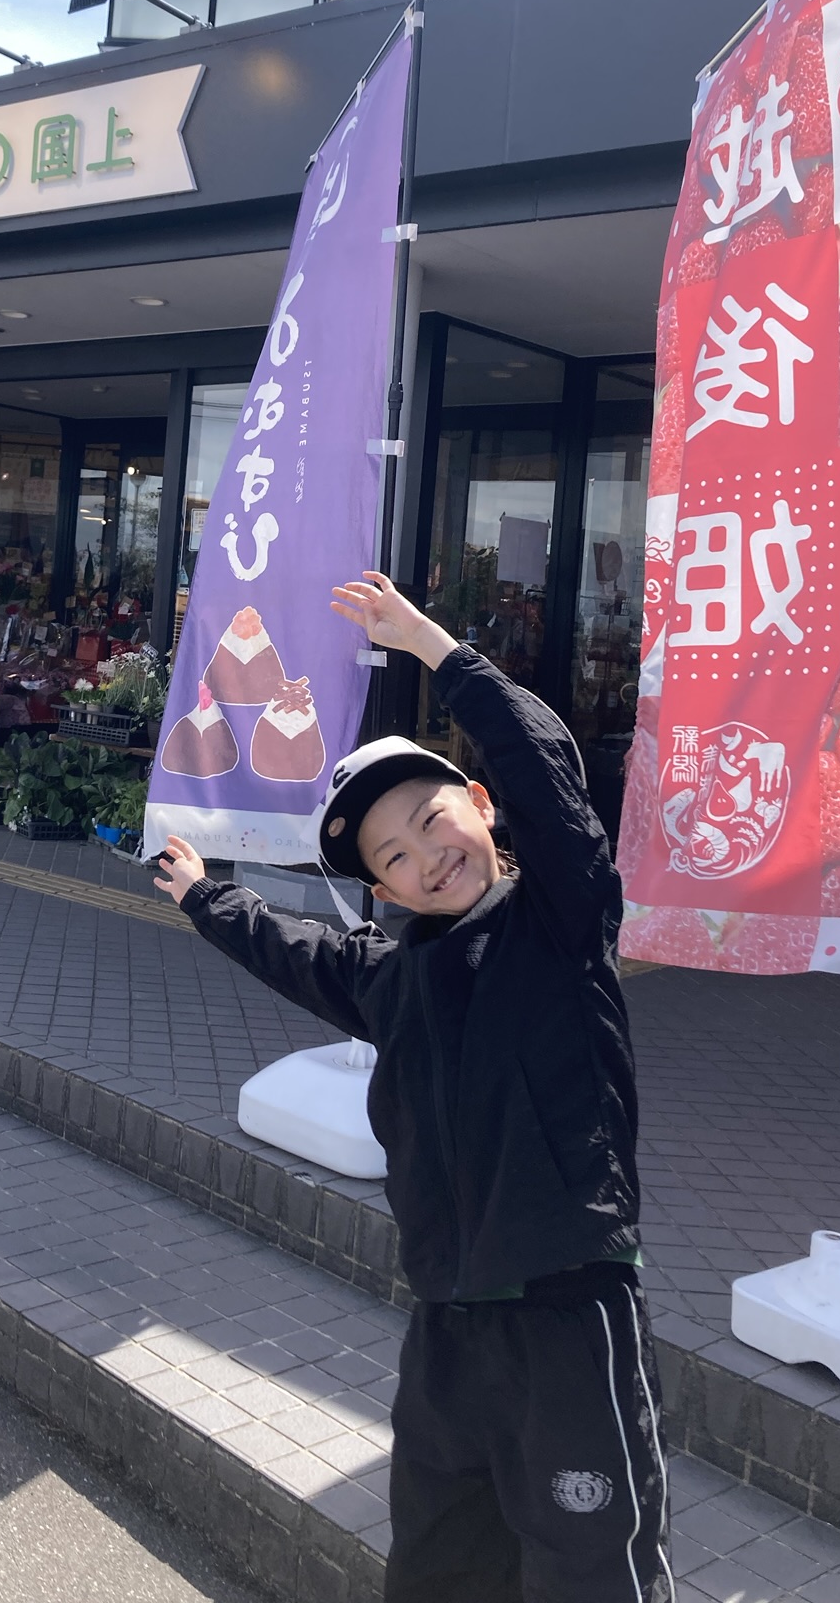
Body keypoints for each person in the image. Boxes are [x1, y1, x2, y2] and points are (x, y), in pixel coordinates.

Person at [155, 571, 671, 1603]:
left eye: (433, 821)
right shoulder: (393, 978)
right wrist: (206, 897)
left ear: (480, 804)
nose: (427, 859)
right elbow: (297, 950)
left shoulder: (559, 920)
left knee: (593, 1577)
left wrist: (437, 649)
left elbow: (544, 772)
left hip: (570, 1314)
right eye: (393, 856)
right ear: (381, 887)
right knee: (440, 1569)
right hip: (448, 1326)